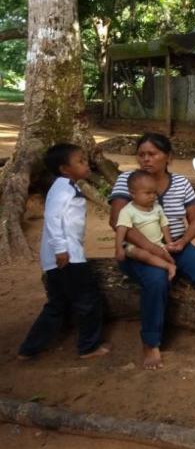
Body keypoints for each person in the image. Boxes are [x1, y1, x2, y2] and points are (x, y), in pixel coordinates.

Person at [110, 133, 195, 369]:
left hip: (175, 243)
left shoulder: (181, 183)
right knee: (156, 281)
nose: (146, 159)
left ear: (168, 157)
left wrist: (183, 241)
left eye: (152, 154)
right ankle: (151, 342)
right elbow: (116, 220)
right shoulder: (129, 180)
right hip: (137, 248)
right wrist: (153, 248)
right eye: (142, 154)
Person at [18, 144, 110, 361]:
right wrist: (61, 250)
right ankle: (88, 347)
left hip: (58, 257)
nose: (86, 164)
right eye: (80, 161)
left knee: (57, 304)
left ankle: (29, 348)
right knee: (88, 301)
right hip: (68, 257)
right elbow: (52, 219)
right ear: (64, 169)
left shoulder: (65, 187)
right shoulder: (62, 189)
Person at [115, 170, 176, 279]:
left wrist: (169, 242)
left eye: (154, 192)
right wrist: (119, 248)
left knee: (166, 253)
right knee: (143, 255)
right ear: (133, 193)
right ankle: (168, 266)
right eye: (148, 193)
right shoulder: (127, 211)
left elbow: (164, 225)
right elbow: (121, 229)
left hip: (158, 245)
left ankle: (172, 265)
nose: (152, 196)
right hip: (135, 247)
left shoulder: (157, 208)